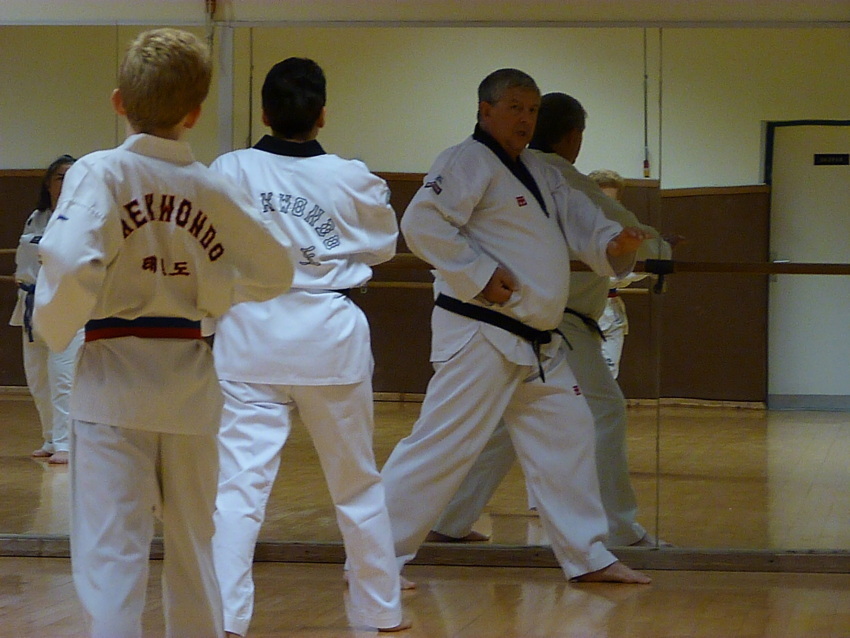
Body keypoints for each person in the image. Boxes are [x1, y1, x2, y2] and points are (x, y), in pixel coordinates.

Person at [32, 28, 293, 638]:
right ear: (195, 112)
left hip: (111, 380)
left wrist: (54, 326)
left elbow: (67, 259)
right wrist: (216, 292)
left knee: (113, 556)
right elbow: (276, 269)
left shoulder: (100, 172)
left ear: (118, 102)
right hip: (191, 382)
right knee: (196, 548)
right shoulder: (211, 186)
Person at [380, 69, 652, 584]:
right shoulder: (466, 160)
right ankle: (375, 559)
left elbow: (577, 217)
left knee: (570, 434)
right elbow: (421, 223)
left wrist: (611, 241)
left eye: (532, 110)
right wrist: (481, 274)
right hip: (482, 333)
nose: (525, 119)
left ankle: (588, 555)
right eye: (514, 108)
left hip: (536, 340)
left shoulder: (537, 169)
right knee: (441, 446)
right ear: (485, 110)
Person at [208, 57, 409, 636]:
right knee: (357, 484)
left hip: (249, 335)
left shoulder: (230, 169)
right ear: (322, 115)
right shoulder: (351, 177)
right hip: (328, 336)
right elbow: (381, 248)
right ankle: (381, 610)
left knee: (238, 490)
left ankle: (225, 619)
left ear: (264, 113)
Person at [427, 93, 673, 548]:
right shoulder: (554, 172)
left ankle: (446, 519)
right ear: (574, 135)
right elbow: (633, 237)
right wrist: (658, 249)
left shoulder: (509, 170)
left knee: (502, 422)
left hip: (502, 318)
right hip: (552, 322)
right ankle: (615, 530)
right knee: (601, 411)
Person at [10, 154, 82, 465]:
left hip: (66, 305)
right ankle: (51, 437)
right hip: (30, 303)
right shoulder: (36, 217)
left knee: (63, 377)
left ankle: (68, 442)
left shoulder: (85, 217)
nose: (65, 183)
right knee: (38, 378)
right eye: (60, 177)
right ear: (48, 184)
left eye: (72, 176)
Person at [588, 168, 637, 378]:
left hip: (612, 311)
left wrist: (652, 267)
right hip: (582, 309)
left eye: (610, 201)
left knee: (608, 377)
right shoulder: (574, 229)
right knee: (581, 377)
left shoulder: (626, 231)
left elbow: (629, 271)